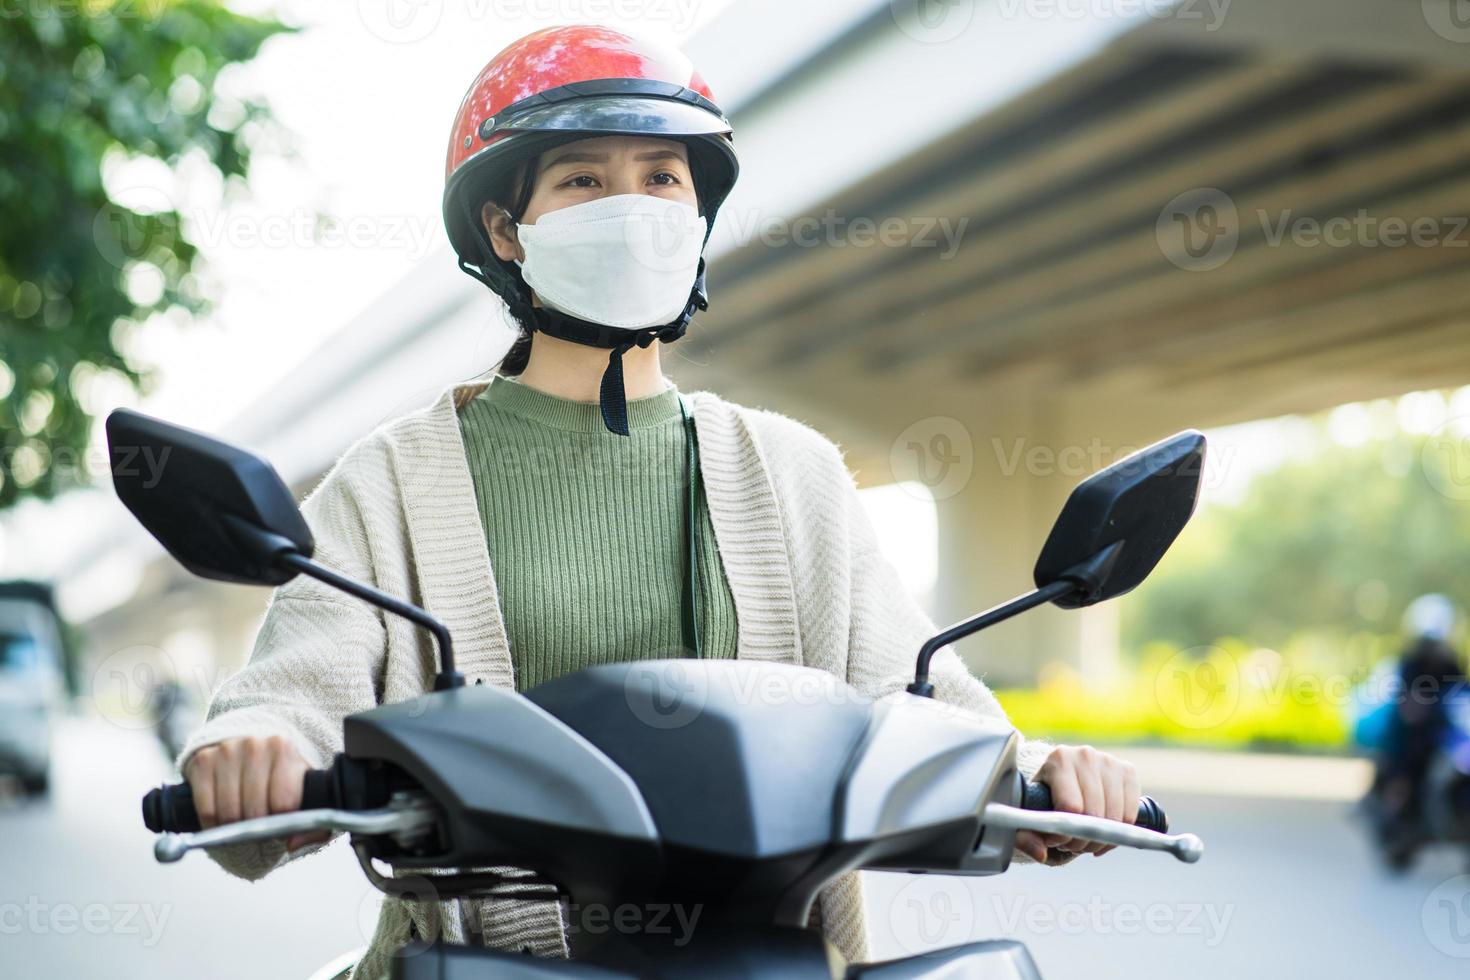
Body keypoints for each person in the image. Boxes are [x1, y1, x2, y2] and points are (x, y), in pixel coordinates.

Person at [176, 25, 1145, 977]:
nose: (632, 206)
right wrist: (248, 748)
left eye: (661, 177)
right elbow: (293, 694)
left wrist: (1050, 771)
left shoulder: (792, 469)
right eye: (584, 180)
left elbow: (927, 703)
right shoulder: (391, 480)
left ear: (697, 215)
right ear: (505, 229)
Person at [1375, 594, 1465, 837]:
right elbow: (1409, 702)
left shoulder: (1451, 662)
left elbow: (1462, 688)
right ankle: (1398, 795)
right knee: (1412, 750)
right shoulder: (1411, 661)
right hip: (1414, 726)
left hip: (1443, 725)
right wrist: (1420, 707)